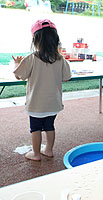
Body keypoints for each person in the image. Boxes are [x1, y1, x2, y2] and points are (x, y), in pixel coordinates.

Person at [13, 19, 72, 161]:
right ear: (55, 40)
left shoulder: (31, 58)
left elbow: (18, 75)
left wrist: (16, 63)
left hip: (36, 105)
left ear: (35, 40)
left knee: (35, 129)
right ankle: (49, 150)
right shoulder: (60, 58)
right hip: (53, 104)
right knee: (49, 126)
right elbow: (67, 77)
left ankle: (36, 154)